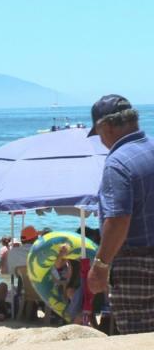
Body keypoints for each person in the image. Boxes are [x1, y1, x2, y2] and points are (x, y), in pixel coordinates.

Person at [86, 94, 154, 334]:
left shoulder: (118, 163)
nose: (102, 142)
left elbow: (117, 220)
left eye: (99, 134)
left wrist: (101, 265)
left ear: (107, 127)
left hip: (134, 266)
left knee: (138, 337)